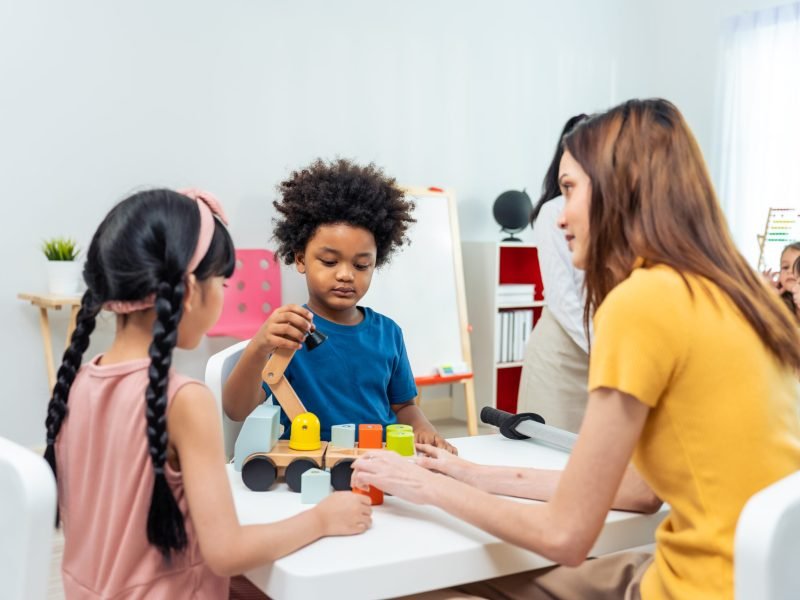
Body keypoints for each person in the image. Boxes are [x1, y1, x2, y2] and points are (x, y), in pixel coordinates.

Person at [352, 99, 800, 599]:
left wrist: (432, 489)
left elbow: (564, 536)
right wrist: (471, 474)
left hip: (691, 588)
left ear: (620, 188)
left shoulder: (644, 300)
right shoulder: (747, 296)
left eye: (569, 190)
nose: (559, 217)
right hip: (751, 581)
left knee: (408, 589)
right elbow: (639, 490)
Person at [43, 189, 372, 600]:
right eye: (222, 281)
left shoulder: (78, 381)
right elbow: (226, 553)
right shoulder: (184, 400)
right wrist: (323, 519)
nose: (223, 293)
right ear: (191, 290)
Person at [223, 158, 455, 453]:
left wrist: (423, 428)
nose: (346, 274)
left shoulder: (389, 333)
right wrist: (258, 347)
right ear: (300, 259)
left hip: (379, 460)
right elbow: (237, 410)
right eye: (330, 262)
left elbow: (404, 406)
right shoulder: (289, 332)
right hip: (310, 460)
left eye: (361, 265)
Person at [517, 114, 589, 432]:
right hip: (561, 354)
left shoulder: (619, 214)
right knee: (547, 454)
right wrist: (604, 350)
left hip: (606, 351)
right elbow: (563, 298)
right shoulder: (553, 212)